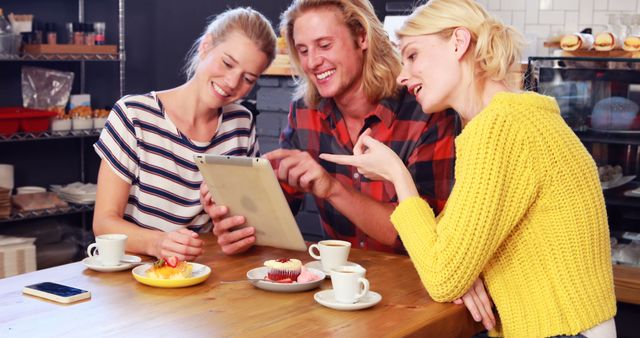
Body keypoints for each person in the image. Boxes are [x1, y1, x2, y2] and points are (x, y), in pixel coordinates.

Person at [320, 0, 617, 337]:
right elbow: (452, 246)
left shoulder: (500, 129)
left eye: (413, 55)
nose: (403, 77)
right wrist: (467, 267)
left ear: (459, 43)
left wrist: (397, 174)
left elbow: (442, 276)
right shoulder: (516, 118)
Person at [202, 0, 496, 331]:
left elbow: (425, 236)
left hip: (422, 294)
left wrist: (332, 188)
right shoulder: (305, 111)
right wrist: (237, 221)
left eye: (324, 45)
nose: (313, 61)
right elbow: (279, 208)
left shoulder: (426, 108)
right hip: (341, 297)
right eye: (303, 50)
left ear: (361, 38)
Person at [92, 7, 277, 262]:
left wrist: (226, 228)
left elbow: (245, 224)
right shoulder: (134, 116)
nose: (233, 82)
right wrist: (158, 243)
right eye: (227, 63)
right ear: (206, 46)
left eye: (248, 78)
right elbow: (103, 223)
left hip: (199, 275)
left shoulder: (241, 123)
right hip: (136, 277)